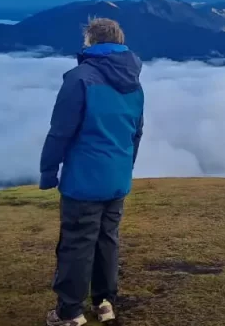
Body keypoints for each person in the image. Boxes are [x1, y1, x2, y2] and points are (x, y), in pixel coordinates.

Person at [39, 18, 145, 326]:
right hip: (117, 178)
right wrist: (125, 167)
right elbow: (135, 133)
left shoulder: (79, 79)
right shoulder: (134, 82)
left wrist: (48, 170)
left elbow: (60, 131)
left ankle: (70, 311)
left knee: (77, 242)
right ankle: (105, 303)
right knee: (107, 240)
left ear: (91, 42)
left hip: (83, 180)